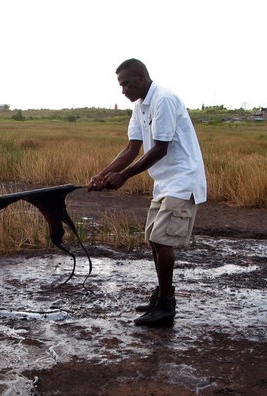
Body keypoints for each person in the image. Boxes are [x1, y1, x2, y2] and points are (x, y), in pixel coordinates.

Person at [88, 58, 207, 327]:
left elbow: (159, 149)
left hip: (182, 180)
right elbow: (131, 148)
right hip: (164, 182)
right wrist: (103, 175)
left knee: (162, 241)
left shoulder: (163, 99)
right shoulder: (140, 106)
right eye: (121, 85)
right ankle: (164, 296)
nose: (123, 91)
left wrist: (124, 176)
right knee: (153, 239)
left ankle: (165, 307)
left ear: (142, 77)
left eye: (127, 84)